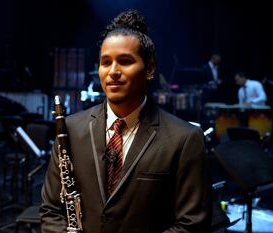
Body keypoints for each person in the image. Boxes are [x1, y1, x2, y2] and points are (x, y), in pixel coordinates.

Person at [40, 9, 212, 233]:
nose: (113, 71)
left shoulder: (186, 139)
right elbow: (51, 211)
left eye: (125, 61)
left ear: (149, 69)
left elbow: (193, 224)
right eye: (105, 62)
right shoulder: (70, 130)